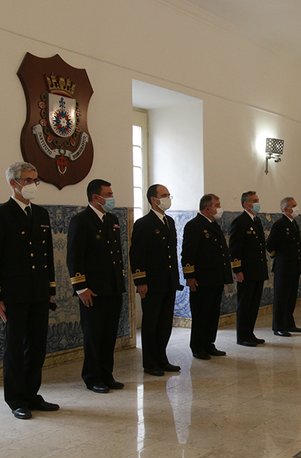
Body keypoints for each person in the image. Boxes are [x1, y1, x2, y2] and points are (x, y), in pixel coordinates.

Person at [0, 162, 58, 419]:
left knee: (37, 345)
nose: (34, 184)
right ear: (13, 183)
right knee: (15, 347)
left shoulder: (41, 215)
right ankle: (15, 399)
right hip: (13, 293)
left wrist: (50, 288)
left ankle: (32, 393)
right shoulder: (3, 214)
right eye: (28, 180)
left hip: (38, 291)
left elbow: (47, 255)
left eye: (36, 179)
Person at [67, 179, 126, 393]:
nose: (111, 197)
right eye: (108, 194)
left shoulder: (111, 219)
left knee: (109, 334)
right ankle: (92, 377)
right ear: (95, 197)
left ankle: (106, 374)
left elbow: (116, 255)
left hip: (112, 288)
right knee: (93, 335)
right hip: (92, 290)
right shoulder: (81, 221)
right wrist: (81, 288)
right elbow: (74, 257)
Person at [130, 184, 183, 376]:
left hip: (168, 282)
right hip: (152, 283)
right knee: (151, 323)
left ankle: (162, 358)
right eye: (164, 195)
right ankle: (150, 362)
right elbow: (137, 255)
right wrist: (140, 282)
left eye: (168, 194)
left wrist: (175, 279)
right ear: (154, 199)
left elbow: (171, 254)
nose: (168, 198)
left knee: (165, 323)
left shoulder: (169, 221)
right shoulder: (144, 224)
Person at [181, 194, 233, 359]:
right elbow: (188, 254)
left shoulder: (213, 224)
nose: (219, 208)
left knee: (212, 313)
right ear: (207, 208)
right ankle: (197, 347)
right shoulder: (194, 225)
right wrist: (190, 277)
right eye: (216, 205)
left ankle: (209, 343)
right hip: (202, 279)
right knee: (201, 313)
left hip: (216, 278)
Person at [230, 191, 268, 347]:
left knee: (253, 305)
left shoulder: (256, 221)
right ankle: (242, 336)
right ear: (246, 204)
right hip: (246, 272)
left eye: (258, 200)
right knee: (245, 305)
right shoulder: (240, 222)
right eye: (255, 200)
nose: (258, 203)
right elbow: (235, 249)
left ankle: (250, 333)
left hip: (258, 270)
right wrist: (237, 270)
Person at [266, 196, 301, 337]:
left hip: (294, 267)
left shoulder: (293, 223)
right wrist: (279, 257)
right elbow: (270, 245)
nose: (296, 207)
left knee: (291, 297)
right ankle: (278, 326)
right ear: (285, 209)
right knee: (281, 298)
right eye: (293, 205)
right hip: (283, 268)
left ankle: (289, 323)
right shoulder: (280, 224)